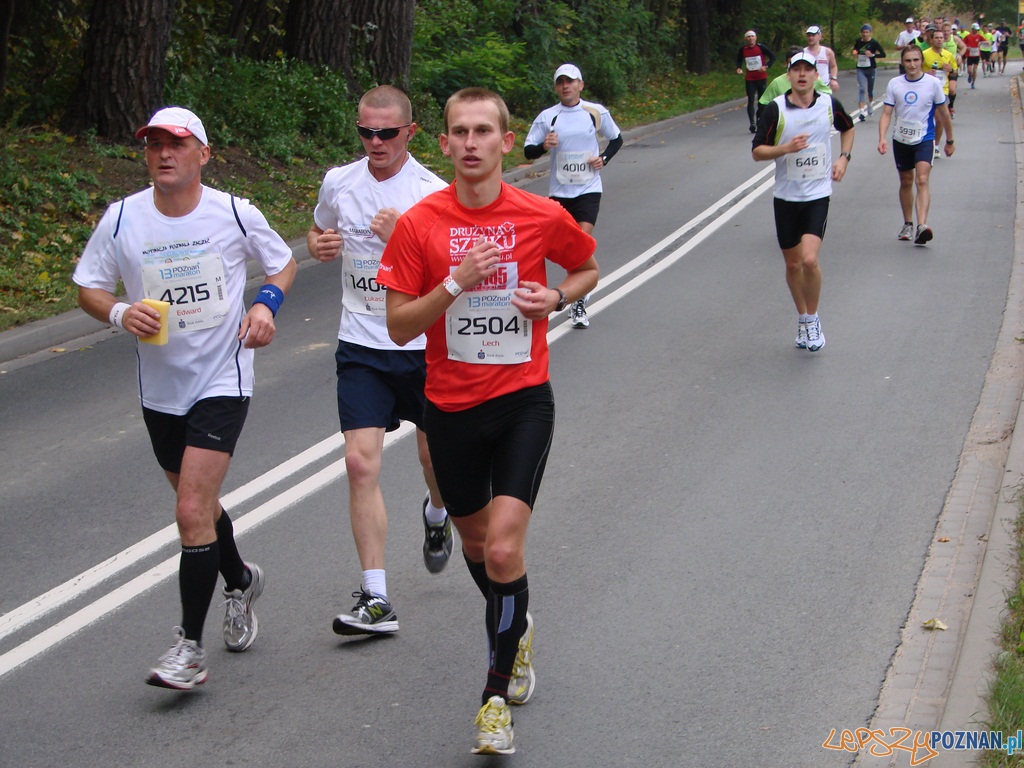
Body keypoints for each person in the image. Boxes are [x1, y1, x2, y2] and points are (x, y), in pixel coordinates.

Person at [378, 88, 599, 755]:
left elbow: (586, 266)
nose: (471, 143)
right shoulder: (421, 224)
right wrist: (453, 283)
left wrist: (555, 296)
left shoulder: (538, 214)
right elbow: (396, 326)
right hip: (449, 408)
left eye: (483, 131)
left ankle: (494, 698)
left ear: (507, 141)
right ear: (442, 145)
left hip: (522, 398)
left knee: (504, 548)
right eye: (459, 132)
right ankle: (517, 623)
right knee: (477, 548)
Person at [72, 107, 297, 689]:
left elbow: (283, 262)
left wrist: (264, 305)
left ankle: (188, 651)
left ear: (203, 153)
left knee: (191, 512)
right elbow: (87, 288)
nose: (163, 153)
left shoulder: (233, 212)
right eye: (153, 144)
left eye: (176, 143)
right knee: (200, 507)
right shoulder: (122, 218)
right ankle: (241, 578)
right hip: (161, 388)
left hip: (224, 377)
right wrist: (121, 311)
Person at [306, 85, 453, 637]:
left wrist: (407, 240)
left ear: (409, 133)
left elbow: (454, 275)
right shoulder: (339, 181)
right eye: (365, 131)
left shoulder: (433, 193)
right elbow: (319, 228)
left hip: (424, 347)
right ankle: (376, 597)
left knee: (434, 459)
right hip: (362, 345)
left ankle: (437, 514)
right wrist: (318, 244)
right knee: (359, 463)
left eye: (386, 132)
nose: (375, 142)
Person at [752, 52, 854, 352]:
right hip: (785, 197)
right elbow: (757, 151)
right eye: (796, 70)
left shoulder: (828, 104)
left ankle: (813, 318)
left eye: (807, 70)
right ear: (789, 76)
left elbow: (848, 128)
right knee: (793, 264)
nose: (801, 75)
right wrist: (784, 148)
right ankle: (802, 317)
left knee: (809, 259)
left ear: (815, 76)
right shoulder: (775, 110)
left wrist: (844, 158)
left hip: (817, 195)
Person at [523, 64, 620, 329]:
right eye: (561, 82)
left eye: (571, 81)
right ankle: (578, 290)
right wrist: (544, 146)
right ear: (556, 87)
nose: (565, 86)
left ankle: (577, 302)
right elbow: (528, 152)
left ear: (581, 85)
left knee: (581, 243)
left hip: (588, 189)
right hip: (559, 193)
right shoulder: (548, 117)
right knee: (566, 248)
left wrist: (603, 158)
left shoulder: (595, 112)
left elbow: (617, 139)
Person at [877, 45, 955, 245]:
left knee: (921, 180)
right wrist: (882, 137)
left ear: (921, 61)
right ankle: (908, 224)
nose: (912, 64)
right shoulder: (895, 84)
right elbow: (887, 113)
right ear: (903, 63)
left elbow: (944, 113)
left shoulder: (932, 84)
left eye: (916, 60)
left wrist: (950, 140)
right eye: (908, 60)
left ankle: (922, 226)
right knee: (906, 181)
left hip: (924, 139)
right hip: (901, 139)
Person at [759, 46, 831, 108]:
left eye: (806, 68)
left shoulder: (815, 80)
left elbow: (827, 96)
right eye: (793, 66)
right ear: (786, 64)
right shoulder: (777, 83)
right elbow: (764, 103)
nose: (801, 73)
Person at [922, 29, 956, 155]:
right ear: (931, 40)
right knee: (926, 117)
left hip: (943, 89)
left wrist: (951, 69)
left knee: (939, 117)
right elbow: (916, 71)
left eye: (941, 38)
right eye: (936, 38)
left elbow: (954, 72)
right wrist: (926, 73)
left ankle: (936, 145)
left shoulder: (948, 55)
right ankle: (924, 140)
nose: (939, 40)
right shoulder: (925, 54)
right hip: (926, 89)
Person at [735, 30, 776, 132]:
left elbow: (772, 57)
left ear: (755, 38)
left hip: (761, 77)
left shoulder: (761, 47)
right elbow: (739, 59)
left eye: (752, 36)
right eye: (748, 37)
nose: (750, 38)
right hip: (750, 79)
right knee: (750, 100)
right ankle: (752, 123)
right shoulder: (743, 49)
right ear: (746, 39)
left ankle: (759, 119)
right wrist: (739, 68)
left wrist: (766, 66)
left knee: (762, 102)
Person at [852, 24, 885, 120]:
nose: (865, 34)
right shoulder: (858, 41)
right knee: (862, 88)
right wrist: (855, 52)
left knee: (870, 90)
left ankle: (870, 104)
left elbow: (883, 54)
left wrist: (872, 55)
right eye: (863, 32)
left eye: (867, 32)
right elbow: (855, 49)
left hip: (871, 69)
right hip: (860, 68)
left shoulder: (874, 42)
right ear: (861, 33)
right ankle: (862, 112)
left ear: (870, 33)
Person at [804, 25, 839, 92]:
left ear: (819, 36)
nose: (810, 38)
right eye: (809, 35)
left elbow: (833, 66)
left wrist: (833, 79)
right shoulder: (803, 52)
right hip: (808, 87)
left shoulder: (827, 52)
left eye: (813, 35)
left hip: (824, 86)